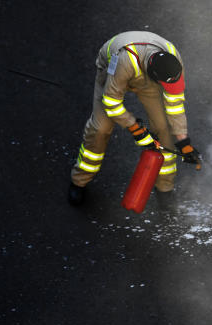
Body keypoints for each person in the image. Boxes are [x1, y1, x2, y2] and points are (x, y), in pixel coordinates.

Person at [68, 31, 202, 206]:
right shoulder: (125, 61)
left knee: (163, 129)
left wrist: (183, 142)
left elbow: (175, 104)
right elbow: (111, 102)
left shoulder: (173, 61)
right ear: (156, 77)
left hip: (147, 76)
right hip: (113, 71)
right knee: (100, 129)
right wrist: (136, 129)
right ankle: (79, 181)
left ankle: (165, 188)